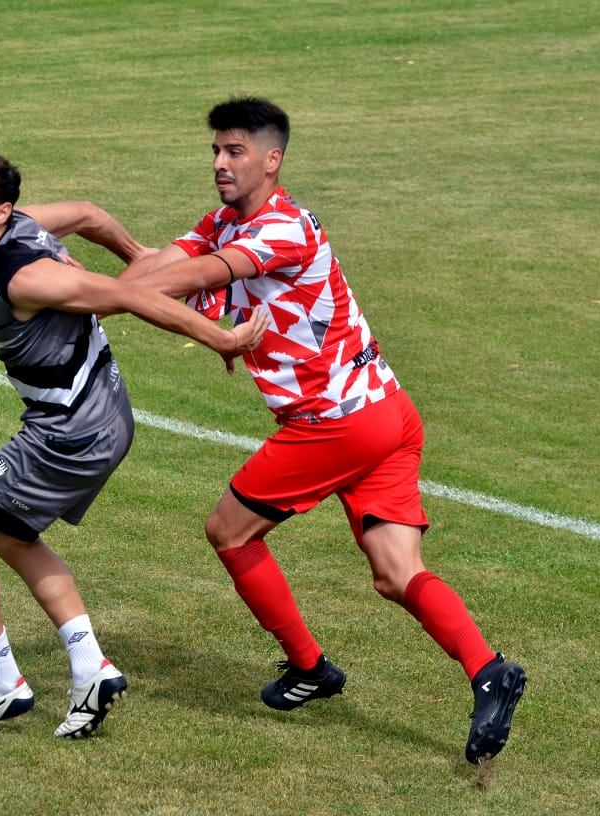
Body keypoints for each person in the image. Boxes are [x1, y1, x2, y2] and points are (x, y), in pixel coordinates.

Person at [118, 98, 526, 763]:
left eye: (236, 151)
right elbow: (164, 260)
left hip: (335, 425)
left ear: (272, 160)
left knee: (228, 531)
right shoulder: (226, 220)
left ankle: (309, 666)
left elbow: (195, 275)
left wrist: (101, 301)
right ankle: (489, 671)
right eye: (216, 151)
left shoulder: (281, 230)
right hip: (388, 413)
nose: (220, 163)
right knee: (397, 572)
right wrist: (92, 297)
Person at [0, 149, 269, 738]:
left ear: (0, 212)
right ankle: (91, 668)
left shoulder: (27, 278)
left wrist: (222, 339)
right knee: (11, 534)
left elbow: (132, 298)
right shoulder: (21, 225)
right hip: (99, 416)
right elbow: (87, 213)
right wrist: (138, 254)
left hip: (68, 433)